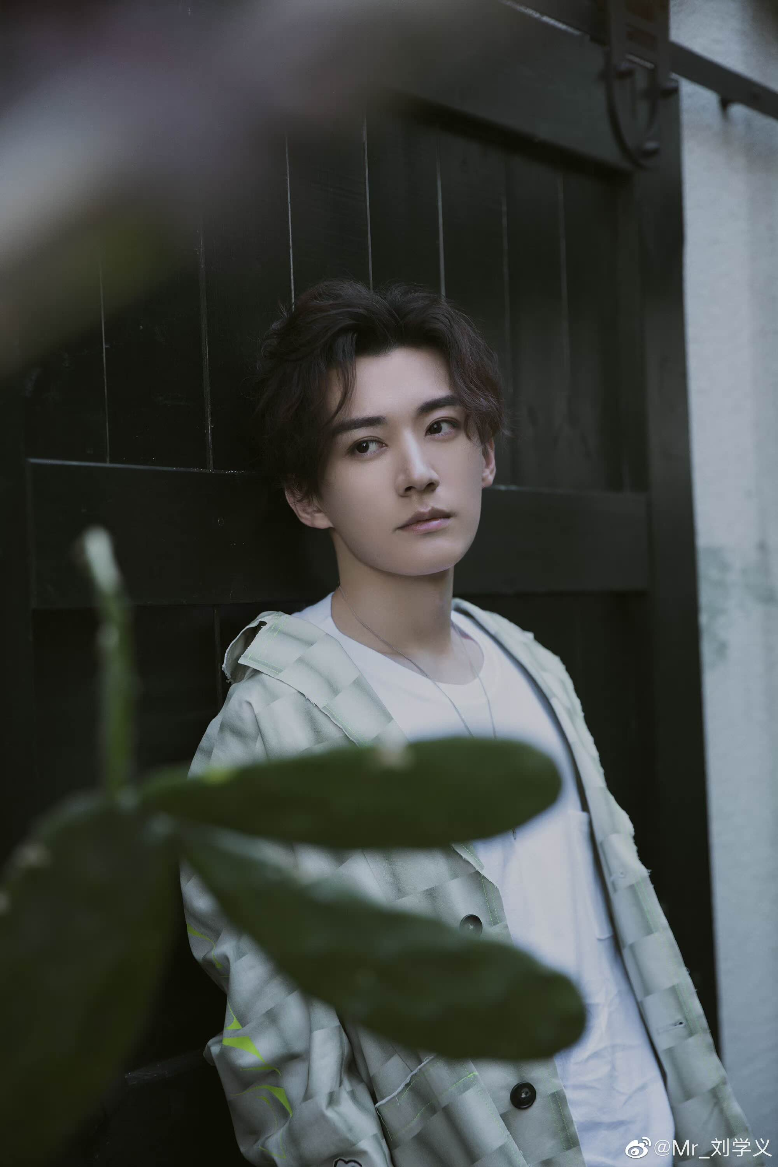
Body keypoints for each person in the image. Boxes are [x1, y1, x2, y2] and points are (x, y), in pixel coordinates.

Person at [180, 279, 762, 1167]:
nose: (417, 470)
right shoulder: (274, 724)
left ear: (485, 453)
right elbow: (288, 1071)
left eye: (443, 426)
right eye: (365, 443)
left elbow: (631, 940)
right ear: (307, 494)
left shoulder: (532, 663)